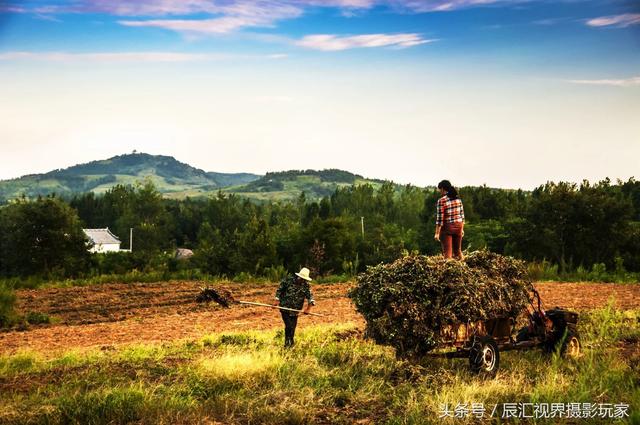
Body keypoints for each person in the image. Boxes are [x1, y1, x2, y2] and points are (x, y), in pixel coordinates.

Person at [274, 267, 315, 347]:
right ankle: (287, 343)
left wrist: (308, 308)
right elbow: (280, 290)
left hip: (296, 310)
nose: (302, 280)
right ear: (298, 276)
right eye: (301, 278)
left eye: (304, 279)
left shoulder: (306, 286)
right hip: (285, 307)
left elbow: (311, 298)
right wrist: (277, 300)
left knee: (293, 327)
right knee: (289, 325)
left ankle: (291, 343)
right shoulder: (288, 281)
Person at [434, 180, 465, 260]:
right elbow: (462, 215)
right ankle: (464, 267)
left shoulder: (441, 201)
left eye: (439, 189)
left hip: (448, 228)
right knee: (458, 251)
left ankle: (448, 269)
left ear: (443, 189)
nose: (439, 191)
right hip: (459, 226)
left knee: (448, 253)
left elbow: (440, 219)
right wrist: (462, 229)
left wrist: (437, 233)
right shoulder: (458, 199)